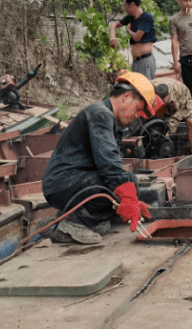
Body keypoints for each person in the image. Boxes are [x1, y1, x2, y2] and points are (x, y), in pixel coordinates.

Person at [41, 71, 160, 244]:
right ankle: (70, 224)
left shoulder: (109, 119)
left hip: (76, 181)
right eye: (137, 109)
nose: (136, 116)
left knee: (129, 180)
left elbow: (114, 167)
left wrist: (133, 199)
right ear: (126, 97)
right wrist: (127, 197)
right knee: (115, 185)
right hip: (62, 184)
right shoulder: (100, 114)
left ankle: (84, 219)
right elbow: (108, 163)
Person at [108, 0, 157, 80]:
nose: (124, 9)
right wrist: (112, 37)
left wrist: (129, 31)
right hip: (135, 61)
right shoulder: (131, 18)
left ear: (132, 5)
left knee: (145, 90)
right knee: (135, 88)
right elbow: (114, 25)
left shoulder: (146, 18)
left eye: (125, 6)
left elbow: (137, 38)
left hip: (145, 61)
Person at [152, 77, 192, 154]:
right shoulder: (147, 89)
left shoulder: (171, 98)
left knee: (189, 121)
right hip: (164, 88)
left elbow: (174, 116)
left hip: (181, 94)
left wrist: (168, 132)